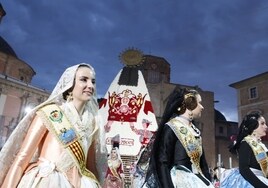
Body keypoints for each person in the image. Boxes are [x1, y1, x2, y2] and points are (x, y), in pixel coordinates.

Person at [0, 63, 107, 187]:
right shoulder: (50, 113)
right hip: (48, 181)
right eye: (84, 80)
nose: (90, 85)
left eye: (93, 81)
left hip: (81, 183)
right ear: (70, 84)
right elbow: (21, 159)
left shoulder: (93, 123)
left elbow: (91, 166)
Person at [144, 87, 213, 188]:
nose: (202, 107)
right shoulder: (172, 127)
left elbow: (203, 165)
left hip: (198, 181)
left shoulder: (195, 131)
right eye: (199, 103)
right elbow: (163, 162)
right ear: (190, 104)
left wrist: (208, 181)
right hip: (178, 182)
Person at [220, 112, 268, 188]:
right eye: (262, 124)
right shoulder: (245, 143)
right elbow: (244, 169)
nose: (266, 126)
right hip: (252, 182)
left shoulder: (261, 145)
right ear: (254, 127)